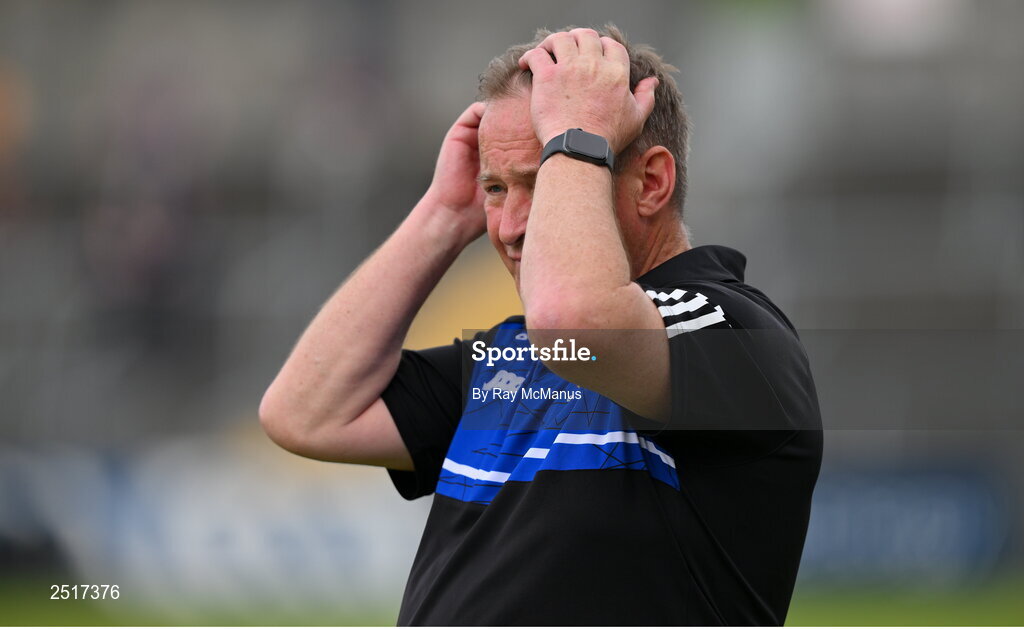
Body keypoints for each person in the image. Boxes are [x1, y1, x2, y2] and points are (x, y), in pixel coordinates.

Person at [260, 24, 822, 626]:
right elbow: (307, 414)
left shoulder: (733, 336)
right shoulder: (507, 355)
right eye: (496, 189)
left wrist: (576, 135)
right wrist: (444, 217)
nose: (508, 226)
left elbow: (575, 326)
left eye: (542, 179)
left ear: (652, 183)